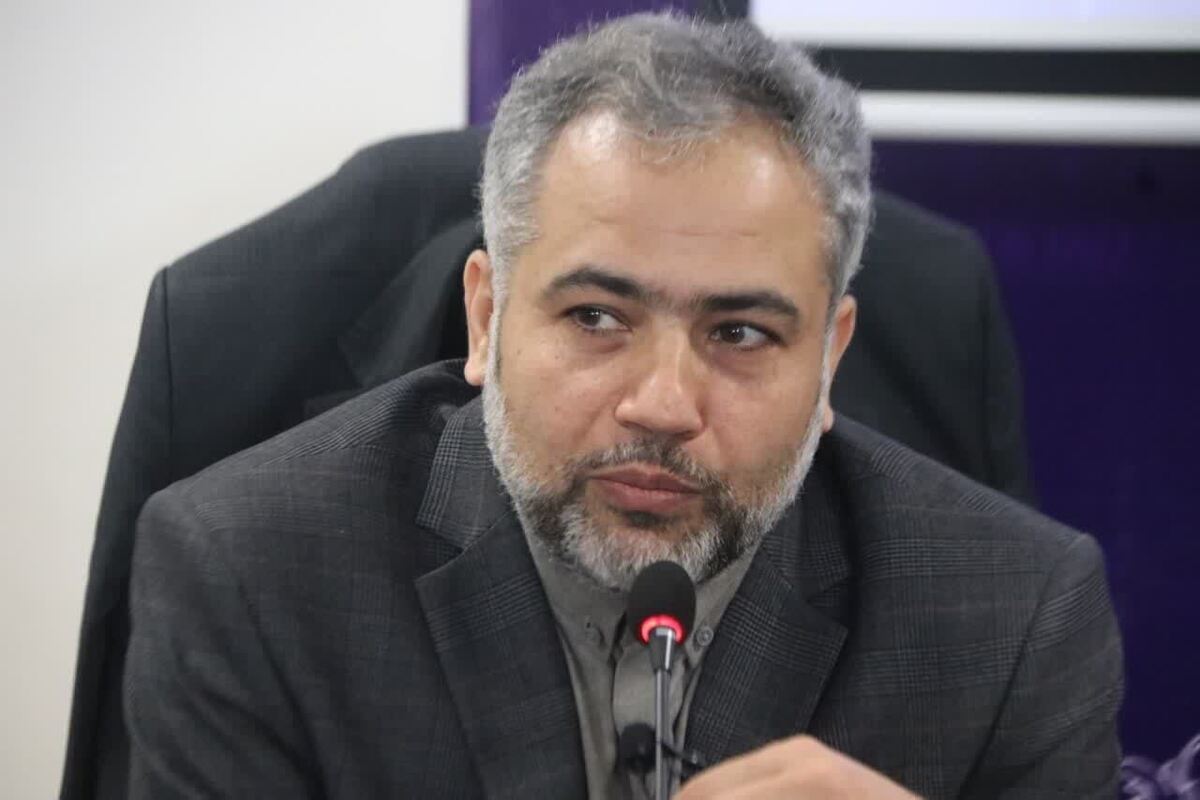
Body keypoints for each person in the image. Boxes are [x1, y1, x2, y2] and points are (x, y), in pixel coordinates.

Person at [123, 12, 1122, 799]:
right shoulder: (253, 574)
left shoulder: (1014, 618)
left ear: (829, 360)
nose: (662, 404)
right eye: (597, 317)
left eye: (740, 333)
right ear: (486, 318)